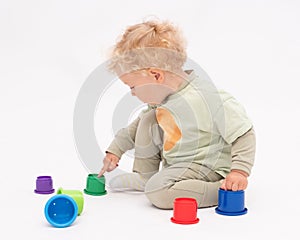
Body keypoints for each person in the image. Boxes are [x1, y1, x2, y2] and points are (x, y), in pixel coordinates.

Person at [97, 19, 256, 209]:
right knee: (147, 119)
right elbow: (136, 128)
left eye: (133, 86)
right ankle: (144, 177)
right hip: (179, 167)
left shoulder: (207, 98)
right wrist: (115, 149)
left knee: (157, 192)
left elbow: (244, 133)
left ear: (156, 75)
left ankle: (219, 191)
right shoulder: (163, 98)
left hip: (208, 169)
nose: (132, 93)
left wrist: (239, 172)